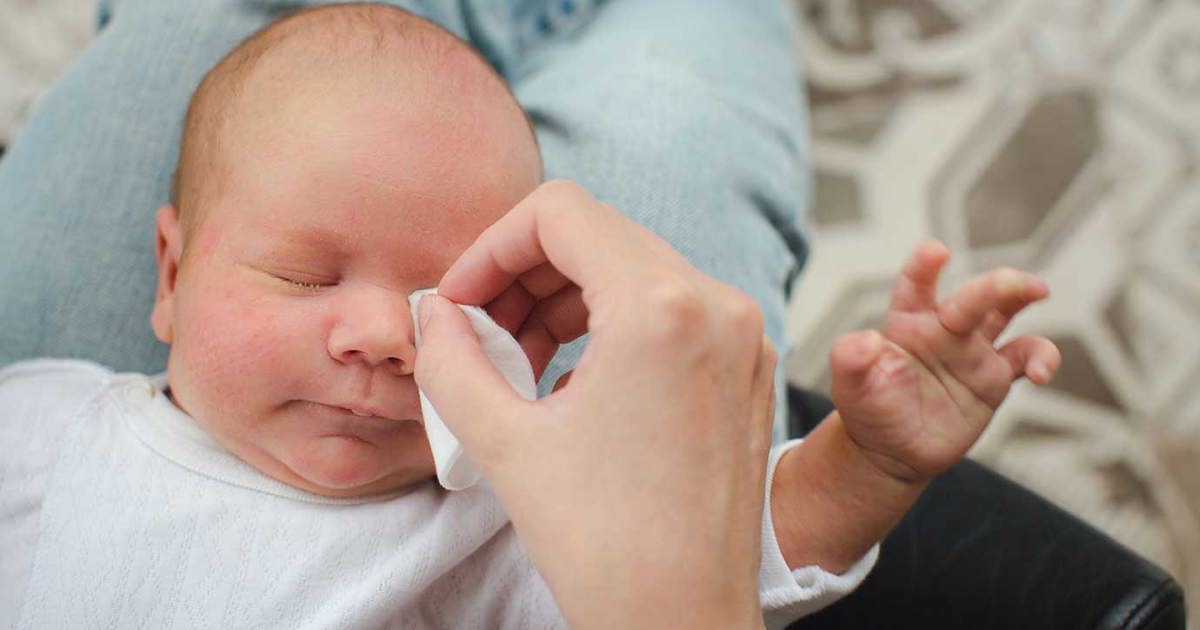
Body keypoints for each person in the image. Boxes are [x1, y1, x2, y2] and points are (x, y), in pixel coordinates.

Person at [0, 2, 1062, 628]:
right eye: (304, 277)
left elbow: (715, 542)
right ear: (170, 273)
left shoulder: (487, 517)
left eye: (445, 298)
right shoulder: (48, 429)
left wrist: (861, 467)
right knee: (681, 80)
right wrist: (876, 466)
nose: (380, 336)